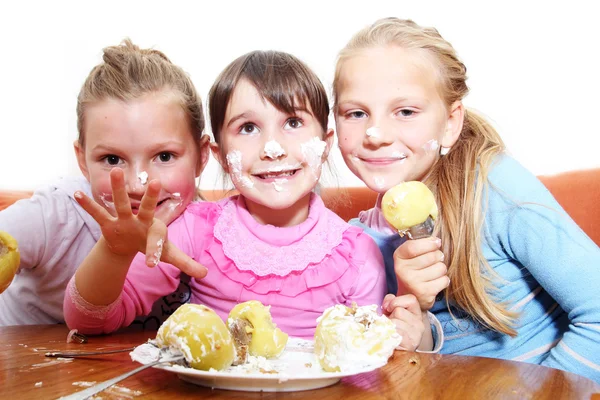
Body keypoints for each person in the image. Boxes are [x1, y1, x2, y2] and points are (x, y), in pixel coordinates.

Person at [63, 50, 430, 350]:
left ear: (326, 143)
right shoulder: (193, 230)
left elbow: (365, 363)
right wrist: (114, 253)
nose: (272, 148)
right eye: (248, 128)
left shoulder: (357, 254)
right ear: (220, 154)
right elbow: (90, 322)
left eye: (292, 123)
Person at [333, 17, 600, 382]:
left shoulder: (494, 187)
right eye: (357, 113)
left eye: (406, 111)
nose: (375, 134)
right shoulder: (351, 243)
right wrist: (413, 307)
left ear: (450, 122)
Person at [0, 39, 210, 327]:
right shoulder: (51, 218)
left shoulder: (213, 230)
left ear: (202, 156)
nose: (137, 185)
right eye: (112, 159)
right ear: (83, 161)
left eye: (164, 156)